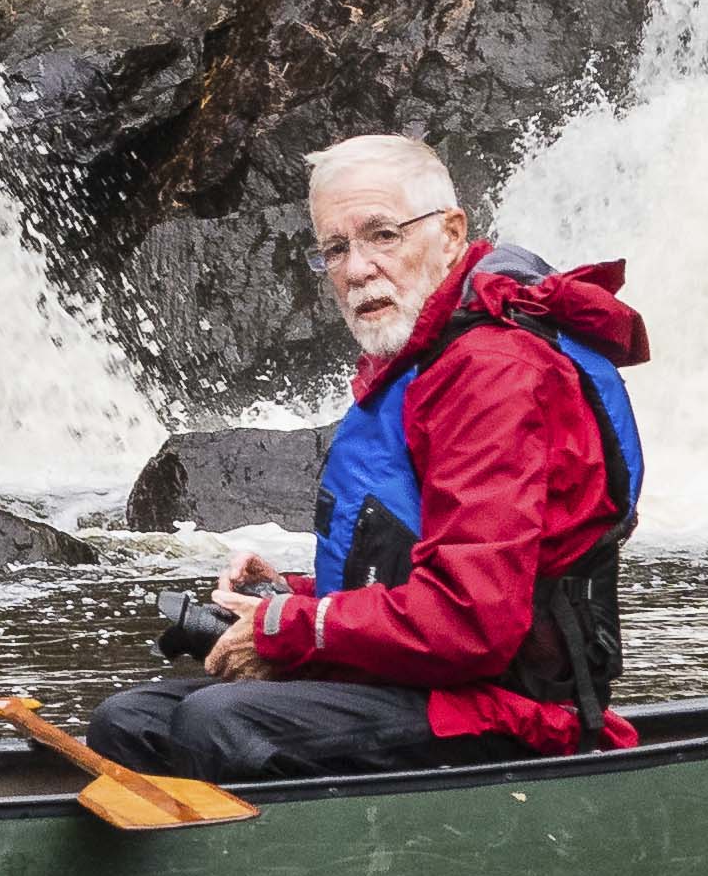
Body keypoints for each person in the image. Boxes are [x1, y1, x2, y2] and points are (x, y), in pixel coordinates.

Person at [91, 132, 643, 783]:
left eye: (382, 234)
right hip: (434, 688)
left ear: (449, 233)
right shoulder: (424, 361)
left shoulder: (493, 374)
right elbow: (420, 576)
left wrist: (289, 628)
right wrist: (286, 597)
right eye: (334, 248)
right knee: (127, 723)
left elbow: (470, 622)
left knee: (218, 724)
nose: (356, 269)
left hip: (514, 714)